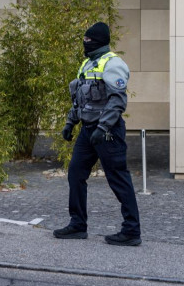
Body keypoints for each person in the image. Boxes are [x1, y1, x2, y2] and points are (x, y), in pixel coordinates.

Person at [53, 22, 141, 246]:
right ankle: (77, 225)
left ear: (99, 40)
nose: (85, 42)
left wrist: (103, 128)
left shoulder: (113, 63)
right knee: (75, 173)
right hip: (87, 130)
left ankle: (131, 231)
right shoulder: (86, 64)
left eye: (89, 39)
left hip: (108, 131)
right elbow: (80, 99)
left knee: (118, 178)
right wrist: (69, 123)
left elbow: (118, 100)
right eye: (84, 39)